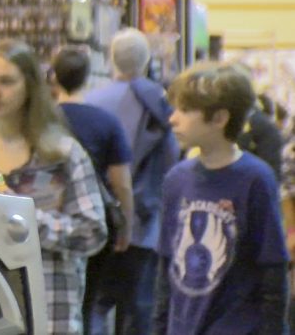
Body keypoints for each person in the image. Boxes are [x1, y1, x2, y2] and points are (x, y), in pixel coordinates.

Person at [0, 39, 106, 334]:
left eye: (6, 81)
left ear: (30, 85)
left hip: (50, 311)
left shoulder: (62, 152)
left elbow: (91, 232)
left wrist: (20, 218)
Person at [153, 62, 289, 334]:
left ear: (219, 118)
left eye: (185, 110)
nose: (172, 118)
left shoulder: (255, 179)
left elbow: (272, 269)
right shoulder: (176, 180)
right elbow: (167, 264)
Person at [85, 27, 180, 335]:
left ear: (111, 58)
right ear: (146, 60)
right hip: (147, 221)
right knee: (140, 305)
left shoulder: (92, 102)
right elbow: (171, 161)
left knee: (96, 303)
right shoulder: (160, 103)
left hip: (100, 218)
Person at [48, 46, 135, 332]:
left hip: (48, 223)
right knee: (87, 302)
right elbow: (121, 182)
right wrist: (126, 226)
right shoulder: (106, 122)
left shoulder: (43, 122)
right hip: (93, 219)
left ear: (53, 79)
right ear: (87, 78)